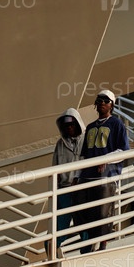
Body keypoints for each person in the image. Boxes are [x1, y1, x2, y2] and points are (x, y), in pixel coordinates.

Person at [73, 90, 129, 253]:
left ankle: (102, 245)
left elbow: (124, 150)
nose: (102, 103)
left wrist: (106, 160)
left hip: (106, 177)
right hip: (87, 177)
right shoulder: (90, 127)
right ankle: (88, 244)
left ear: (112, 105)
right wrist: (76, 175)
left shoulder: (117, 124)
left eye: (106, 100)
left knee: (103, 212)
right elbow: (83, 155)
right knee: (82, 211)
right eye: (99, 100)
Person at [50, 108, 85, 257]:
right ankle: (52, 252)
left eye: (71, 124)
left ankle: (87, 252)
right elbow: (54, 167)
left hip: (82, 188)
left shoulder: (86, 140)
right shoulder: (60, 144)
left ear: (77, 124)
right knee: (60, 224)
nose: (69, 127)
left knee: (83, 223)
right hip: (64, 189)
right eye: (66, 125)